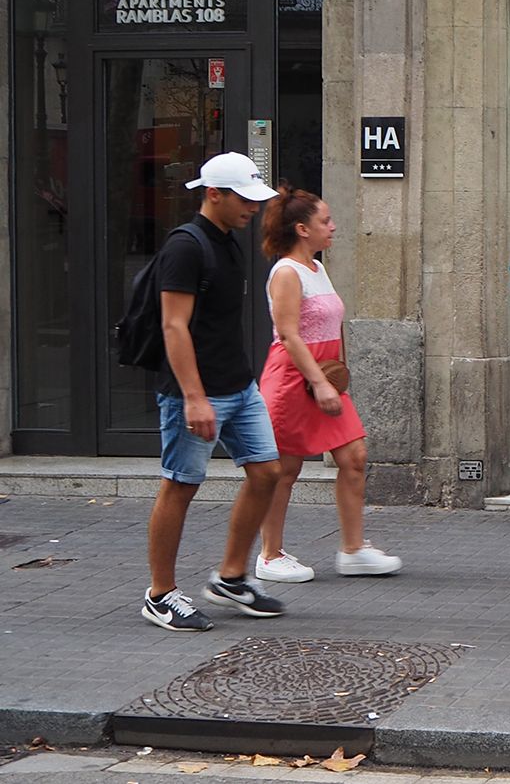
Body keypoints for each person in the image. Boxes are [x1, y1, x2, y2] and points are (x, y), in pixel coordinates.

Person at [141, 152, 286, 631]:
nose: (252, 208)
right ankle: (160, 593)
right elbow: (173, 326)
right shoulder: (186, 246)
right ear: (213, 194)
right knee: (180, 484)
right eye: (243, 198)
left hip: (237, 384)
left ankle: (230, 577)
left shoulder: (228, 240)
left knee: (266, 473)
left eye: (254, 199)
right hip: (197, 389)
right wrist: (194, 397)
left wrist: (243, 383)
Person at [253, 187, 402, 583]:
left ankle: (352, 550)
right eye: (325, 221)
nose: (333, 227)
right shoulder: (286, 272)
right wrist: (319, 383)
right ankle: (269, 555)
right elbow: (288, 334)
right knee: (285, 468)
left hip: (324, 376)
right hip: (292, 378)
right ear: (302, 229)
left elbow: (331, 327)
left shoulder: (318, 268)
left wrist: (337, 377)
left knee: (354, 456)